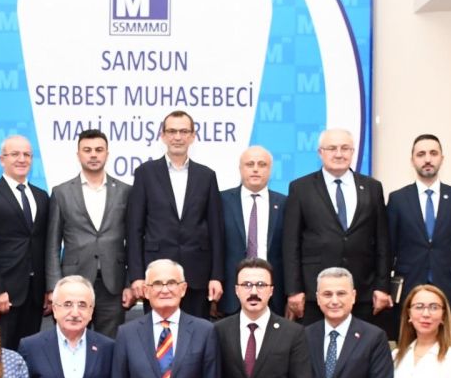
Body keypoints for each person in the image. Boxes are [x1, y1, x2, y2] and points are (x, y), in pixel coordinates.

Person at [281, 128, 391, 325]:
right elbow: (291, 243)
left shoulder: (372, 187)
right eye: (332, 148)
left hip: (362, 290)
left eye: (345, 148)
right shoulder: (301, 188)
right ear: (320, 152)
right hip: (315, 293)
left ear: (353, 151)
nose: (339, 154)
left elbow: (382, 241)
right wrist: (294, 290)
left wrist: (382, 286)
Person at [126, 111, 224, 318]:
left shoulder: (207, 176)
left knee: (195, 333)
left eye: (183, 131)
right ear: (162, 136)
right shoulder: (145, 173)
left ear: (192, 136)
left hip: (197, 275)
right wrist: (136, 275)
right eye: (171, 131)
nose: (177, 137)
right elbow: (134, 229)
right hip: (156, 275)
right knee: (157, 333)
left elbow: (216, 231)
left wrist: (216, 276)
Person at [44, 128, 132, 338]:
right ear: (78, 155)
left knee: (109, 345)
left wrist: (129, 284)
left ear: (107, 154)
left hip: (113, 284)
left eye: (99, 150)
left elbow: (133, 241)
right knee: (70, 340)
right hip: (72, 283)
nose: (93, 155)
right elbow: (52, 244)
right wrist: (54, 286)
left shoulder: (125, 191)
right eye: (87, 150)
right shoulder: (61, 192)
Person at [387, 134, 451, 330]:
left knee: (444, 343)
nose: (427, 159)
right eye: (421, 154)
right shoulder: (397, 199)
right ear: (412, 160)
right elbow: (388, 250)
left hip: (448, 288)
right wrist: (384, 289)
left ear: (442, 159)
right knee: (407, 343)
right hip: (409, 287)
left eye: (433, 153)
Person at [0, 134, 49, 351]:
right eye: (15, 154)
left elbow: (45, 245)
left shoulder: (42, 196)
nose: (22, 159)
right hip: (5, 294)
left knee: (30, 355)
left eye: (27, 155)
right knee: (1, 354)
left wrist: (47, 289)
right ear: (1, 159)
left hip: (35, 295)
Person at [220, 146, 286, 317]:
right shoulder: (221, 201)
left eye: (262, 164)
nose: (256, 169)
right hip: (230, 294)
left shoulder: (285, 203)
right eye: (250, 164)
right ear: (240, 168)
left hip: (274, 295)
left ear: (270, 169)